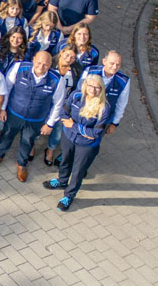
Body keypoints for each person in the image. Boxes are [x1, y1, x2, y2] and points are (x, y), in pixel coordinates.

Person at [0, 50, 66, 182]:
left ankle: (21, 164)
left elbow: (58, 104)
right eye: (39, 63)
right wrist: (2, 108)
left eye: (45, 65)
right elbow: (6, 88)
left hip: (36, 119)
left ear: (50, 64)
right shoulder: (19, 68)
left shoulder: (57, 80)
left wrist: (50, 124)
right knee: (7, 135)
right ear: (33, 59)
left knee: (28, 141)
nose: (41, 67)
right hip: (14, 113)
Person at [43, 74, 112, 211]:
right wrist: (74, 127)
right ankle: (62, 181)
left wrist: (72, 126)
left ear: (101, 89)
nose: (93, 90)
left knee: (78, 170)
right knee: (65, 161)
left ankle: (69, 195)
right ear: (85, 85)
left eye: (97, 87)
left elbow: (96, 133)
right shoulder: (76, 96)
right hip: (69, 138)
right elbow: (63, 112)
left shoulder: (104, 108)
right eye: (90, 86)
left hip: (86, 145)